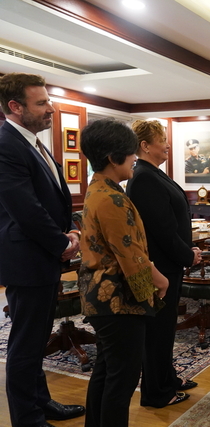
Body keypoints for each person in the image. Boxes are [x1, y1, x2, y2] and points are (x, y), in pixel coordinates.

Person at [0, 72, 85, 427]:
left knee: (35, 341)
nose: (51, 109)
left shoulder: (32, 142)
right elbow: (25, 209)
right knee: (25, 345)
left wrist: (71, 229)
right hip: (27, 261)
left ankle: (41, 403)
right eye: (42, 103)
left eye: (48, 101)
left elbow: (53, 199)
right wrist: (62, 243)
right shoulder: (6, 143)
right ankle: (28, 419)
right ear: (15, 106)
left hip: (41, 257)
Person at [77, 119, 170, 427]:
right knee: (122, 380)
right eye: (130, 153)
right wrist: (158, 281)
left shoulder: (98, 188)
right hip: (116, 300)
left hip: (102, 297)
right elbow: (130, 255)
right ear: (112, 158)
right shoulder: (112, 198)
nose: (134, 159)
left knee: (107, 371)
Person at [126, 119, 202, 408]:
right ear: (145, 145)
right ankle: (157, 393)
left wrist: (186, 251)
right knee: (157, 332)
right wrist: (188, 255)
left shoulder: (153, 173)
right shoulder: (143, 178)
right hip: (159, 268)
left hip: (169, 265)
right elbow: (162, 230)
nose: (168, 145)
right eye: (162, 140)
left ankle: (168, 378)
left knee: (166, 328)